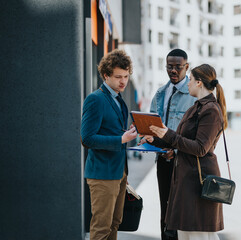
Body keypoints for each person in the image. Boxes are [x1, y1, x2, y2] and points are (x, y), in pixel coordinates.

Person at [145, 64, 227, 240]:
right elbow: (182, 140)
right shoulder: (196, 107)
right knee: (186, 233)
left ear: (199, 83)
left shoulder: (211, 110)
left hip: (199, 181)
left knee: (198, 234)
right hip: (187, 179)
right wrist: (156, 139)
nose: (187, 84)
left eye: (190, 80)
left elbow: (200, 148)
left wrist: (166, 133)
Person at [81, 49, 138, 240]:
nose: (123, 81)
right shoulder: (95, 99)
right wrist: (121, 139)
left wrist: (125, 133)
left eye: (126, 76)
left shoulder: (118, 99)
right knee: (101, 228)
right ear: (106, 75)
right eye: (118, 77)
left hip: (118, 172)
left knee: (114, 223)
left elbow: (109, 130)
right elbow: (87, 138)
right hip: (102, 175)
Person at [150, 49, 196, 240]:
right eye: (170, 66)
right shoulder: (161, 93)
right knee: (166, 211)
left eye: (178, 67)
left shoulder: (194, 94)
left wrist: (175, 151)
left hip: (184, 162)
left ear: (187, 67)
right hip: (163, 161)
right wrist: (146, 138)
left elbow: (194, 134)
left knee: (182, 213)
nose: (173, 71)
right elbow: (152, 125)